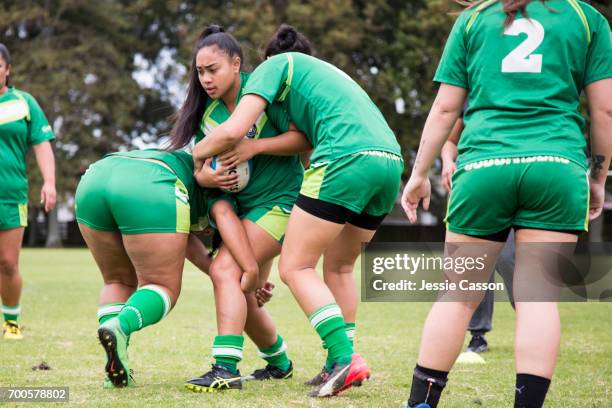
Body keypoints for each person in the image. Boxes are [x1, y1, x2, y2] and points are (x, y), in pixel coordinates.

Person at [401, 1, 612, 407]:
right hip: (555, 166)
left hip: (484, 166)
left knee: (458, 295)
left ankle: (420, 405)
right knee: (537, 298)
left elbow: (446, 108)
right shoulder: (587, 18)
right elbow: (604, 109)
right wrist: (598, 178)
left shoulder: (474, 19)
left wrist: (417, 176)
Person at [192, 24, 404, 397]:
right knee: (337, 267)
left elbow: (233, 131)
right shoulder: (325, 74)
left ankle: (343, 358)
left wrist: (193, 158)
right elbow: (303, 147)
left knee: (296, 266)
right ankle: (338, 363)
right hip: (388, 160)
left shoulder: (272, 69)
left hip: (344, 157)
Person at [168, 26, 312, 393]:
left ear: (236, 63)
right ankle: (279, 364)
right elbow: (209, 182)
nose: (205, 79)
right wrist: (205, 181)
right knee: (243, 289)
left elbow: (302, 139)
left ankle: (225, 368)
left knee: (225, 270)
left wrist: (254, 147)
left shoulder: (264, 90)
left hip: (282, 203)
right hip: (243, 214)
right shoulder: (208, 117)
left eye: (212, 69)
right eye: (200, 72)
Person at [75, 148, 260, 388]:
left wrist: (235, 277)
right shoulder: (221, 190)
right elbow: (223, 213)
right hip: (149, 182)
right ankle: (120, 325)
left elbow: (193, 250)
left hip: (96, 176)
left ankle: (115, 372)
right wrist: (249, 268)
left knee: (117, 281)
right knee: (161, 286)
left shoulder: (185, 162)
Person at [441, 114, 516, 354]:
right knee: (477, 265)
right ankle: (478, 334)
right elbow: (448, 140)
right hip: (478, 188)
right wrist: (447, 161)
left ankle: (532, 320)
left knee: (509, 259)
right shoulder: (471, 99)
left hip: (518, 186)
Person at [0, 43, 56, 340]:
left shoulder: (24, 102)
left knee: (8, 263)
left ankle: (11, 322)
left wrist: (49, 181)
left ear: (7, 69)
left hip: (10, 195)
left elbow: (42, 145)